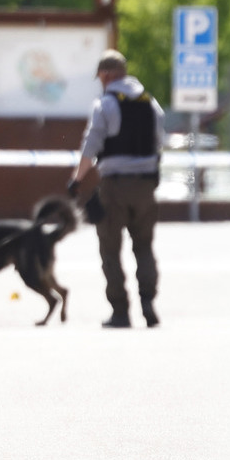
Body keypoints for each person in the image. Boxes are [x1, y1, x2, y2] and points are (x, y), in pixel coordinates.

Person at [67, 49, 165, 329]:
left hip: (115, 185)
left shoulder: (105, 104)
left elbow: (91, 144)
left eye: (100, 77)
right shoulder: (151, 103)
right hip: (146, 185)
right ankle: (148, 303)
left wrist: (77, 179)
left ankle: (120, 311)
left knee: (110, 249)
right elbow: (159, 140)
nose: (100, 82)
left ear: (108, 75)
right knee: (144, 247)